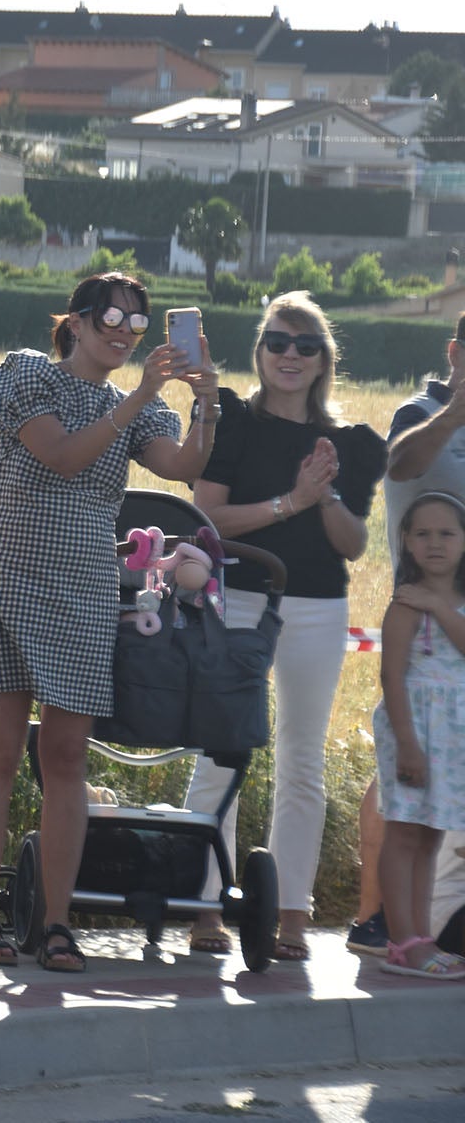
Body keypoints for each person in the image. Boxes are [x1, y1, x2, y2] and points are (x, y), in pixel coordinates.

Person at [0, 272, 216, 973]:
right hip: (5, 582)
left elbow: (185, 464)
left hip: (84, 592)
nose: (124, 327)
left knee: (65, 757)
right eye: (110, 313)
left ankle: (58, 922)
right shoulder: (28, 372)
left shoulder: (137, 407)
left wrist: (206, 399)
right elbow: (62, 455)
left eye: (137, 318)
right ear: (74, 320)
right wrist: (140, 397)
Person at [181, 293, 385, 960]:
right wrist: (289, 500)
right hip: (236, 597)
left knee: (302, 758)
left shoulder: (352, 443)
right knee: (220, 748)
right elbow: (207, 519)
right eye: (277, 341)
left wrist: (322, 493)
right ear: (260, 350)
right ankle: (202, 901)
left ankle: (292, 912)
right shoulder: (235, 422)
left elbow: (352, 543)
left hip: (318, 608)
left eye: (305, 345)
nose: (289, 354)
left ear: (325, 358)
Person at [356, 313, 465, 957]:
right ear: (454, 350)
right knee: (404, 794)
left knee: (435, 813)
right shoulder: (420, 410)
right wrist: (458, 410)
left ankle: (419, 930)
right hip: (420, 624)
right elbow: (399, 465)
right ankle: (384, 923)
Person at [372, 493, 465, 979]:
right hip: (414, 732)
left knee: (430, 837)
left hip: (450, 740)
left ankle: (423, 937)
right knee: (405, 833)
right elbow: (391, 677)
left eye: (447, 533)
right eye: (423, 534)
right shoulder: (405, 606)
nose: (435, 544)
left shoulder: (451, 605)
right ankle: (403, 942)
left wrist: (441, 606)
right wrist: (407, 742)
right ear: (406, 542)